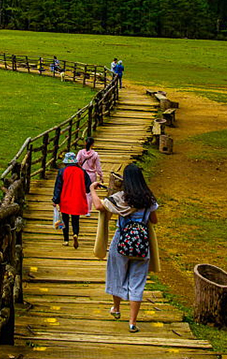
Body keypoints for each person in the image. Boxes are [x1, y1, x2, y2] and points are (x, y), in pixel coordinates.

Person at [90, 163, 159, 334]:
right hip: (142, 245)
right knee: (137, 282)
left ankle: (116, 308)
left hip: (121, 242)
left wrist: (92, 189)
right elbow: (154, 220)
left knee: (116, 275)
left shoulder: (120, 198)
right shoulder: (149, 199)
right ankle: (132, 322)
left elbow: (99, 207)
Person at [52, 152, 91, 249]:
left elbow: (58, 187)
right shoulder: (82, 171)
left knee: (64, 219)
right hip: (77, 198)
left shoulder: (62, 172)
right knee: (75, 219)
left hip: (65, 199)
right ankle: (75, 234)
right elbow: (88, 187)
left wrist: (55, 199)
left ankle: (65, 239)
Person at [76, 137, 103, 214]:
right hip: (91, 174)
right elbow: (98, 167)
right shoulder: (95, 154)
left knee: (81, 191)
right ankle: (88, 210)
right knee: (90, 193)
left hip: (82, 173)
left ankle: (80, 208)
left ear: (85, 143)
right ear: (92, 144)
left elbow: (77, 161)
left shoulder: (80, 152)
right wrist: (101, 176)